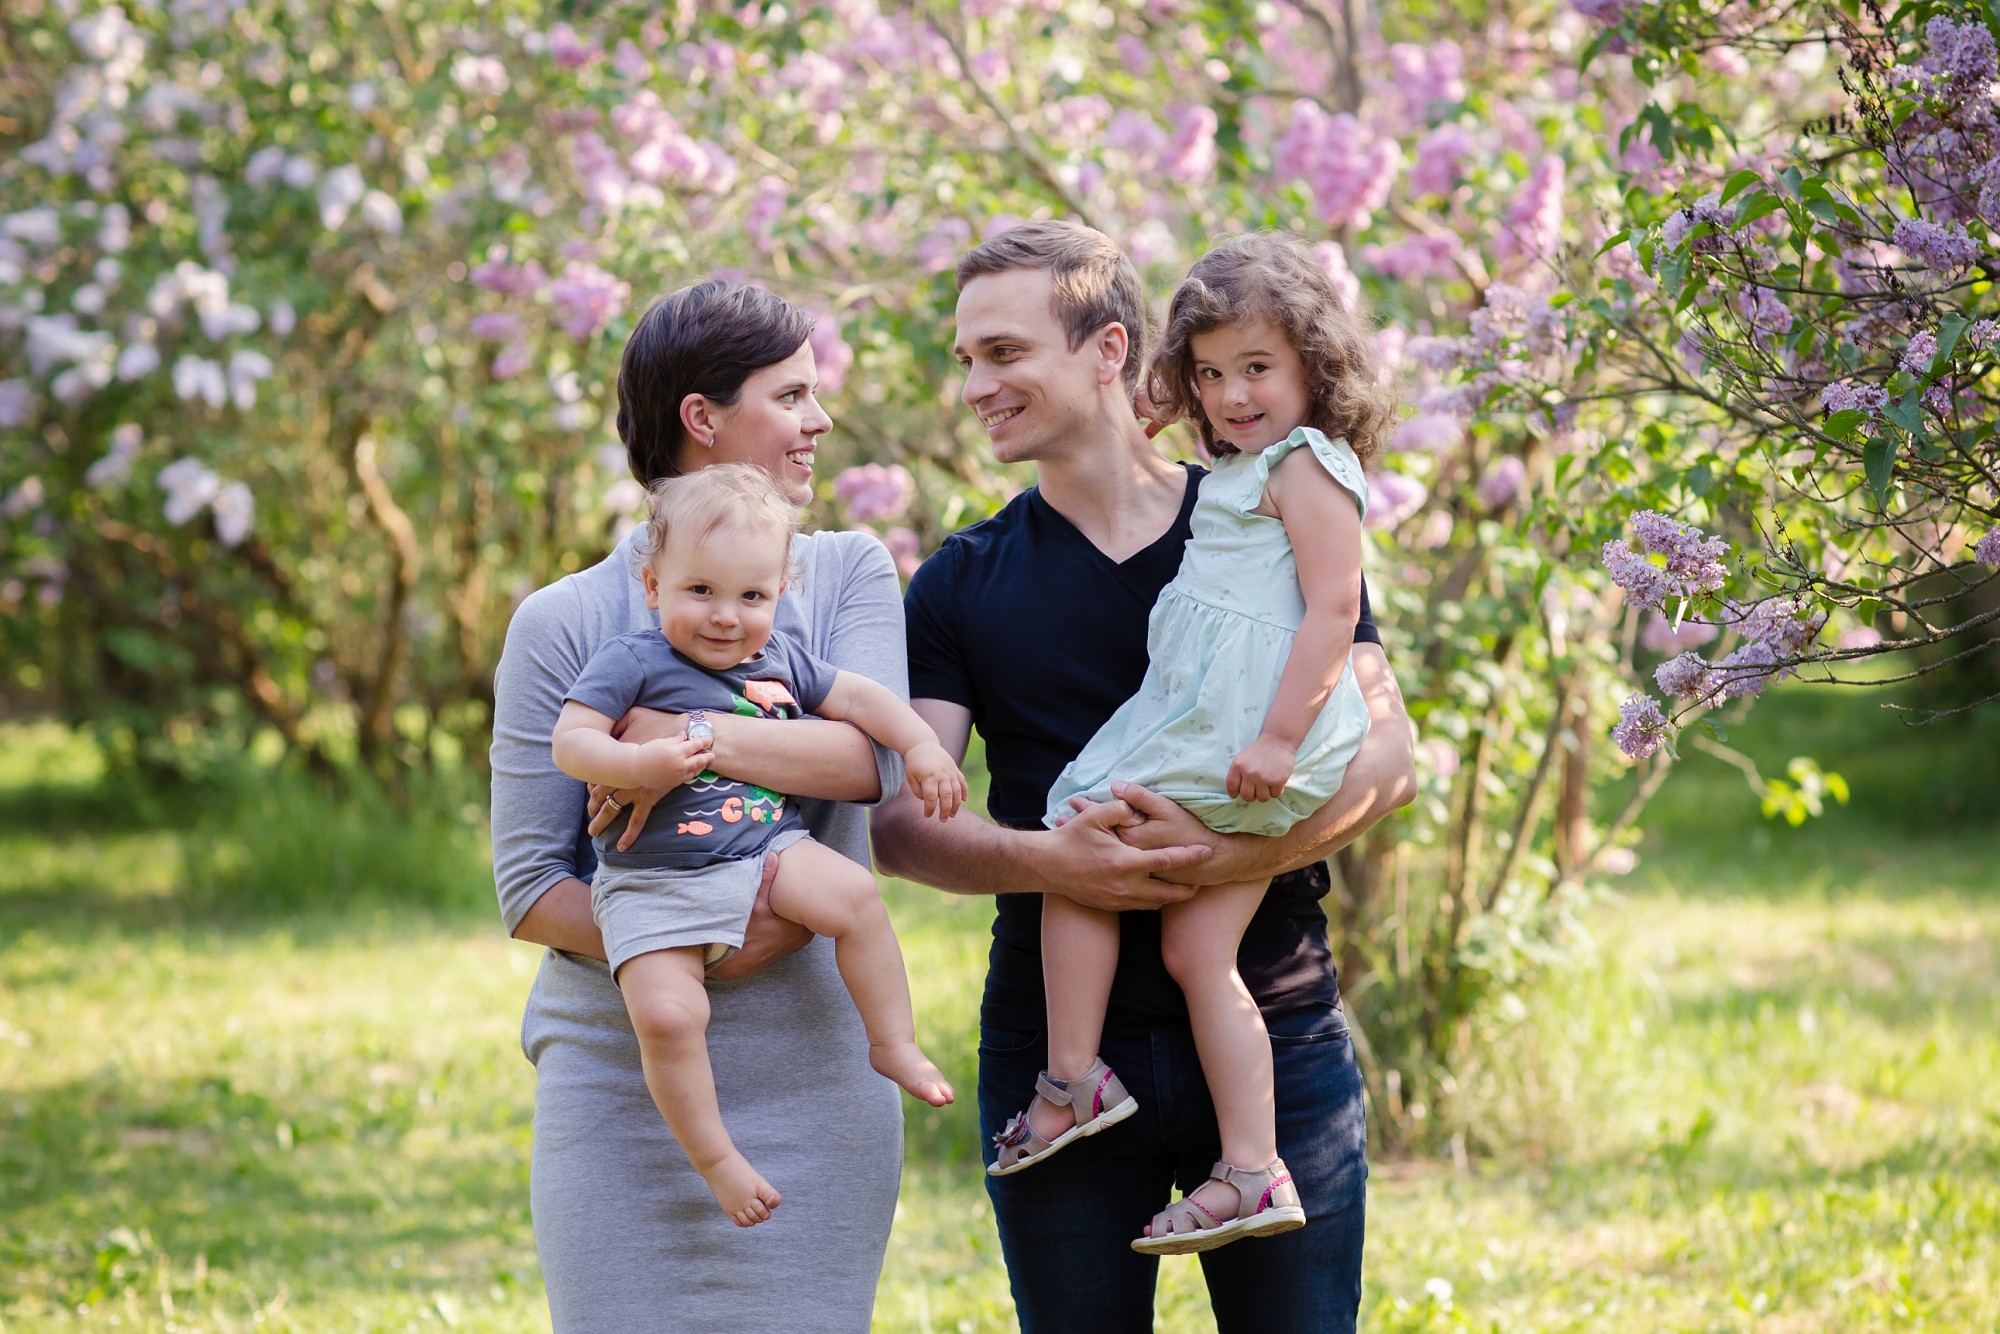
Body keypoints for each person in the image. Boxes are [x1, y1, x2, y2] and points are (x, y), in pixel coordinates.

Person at [870, 222, 1416, 1332]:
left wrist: (1230, 857)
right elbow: (900, 826)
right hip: (1055, 1057)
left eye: (1004, 352)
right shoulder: (957, 582)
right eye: (965, 357)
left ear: (1108, 349)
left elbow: (1388, 754)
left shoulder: (1263, 515)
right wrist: (1051, 859)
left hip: (1272, 1021)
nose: (976, 384)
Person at [491, 282, 911, 1331]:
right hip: (621, 1076)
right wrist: (695, 936)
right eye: (794, 394)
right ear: (703, 418)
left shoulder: (844, 572)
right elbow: (531, 884)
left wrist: (683, 744)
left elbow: (869, 761)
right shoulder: (560, 621)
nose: (819, 421)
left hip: (815, 1074)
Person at [992, 230, 1391, 1260]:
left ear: (1315, 363)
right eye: (1210, 373)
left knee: (1078, 820)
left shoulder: (1304, 464)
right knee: (1193, 949)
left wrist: (1276, 736)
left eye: (1256, 368)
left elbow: (1333, 608)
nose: (1232, 394)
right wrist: (1162, 401)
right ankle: (1250, 1166)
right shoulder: (1246, 459)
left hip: (1245, 727)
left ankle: (1071, 1079)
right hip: (1228, 722)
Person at [550, 462, 962, 1227]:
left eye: (752, 596)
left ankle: (892, 1041)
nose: (725, 617)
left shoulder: (779, 663)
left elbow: (865, 701)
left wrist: (926, 748)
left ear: (779, 593)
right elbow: (570, 742)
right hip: (650, 885)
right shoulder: (633, 662)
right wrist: (637, 761)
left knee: (856, 895)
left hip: (764, 853)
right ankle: (716, 1159)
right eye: (699, 591)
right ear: (653, 585)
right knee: (670, 1018)